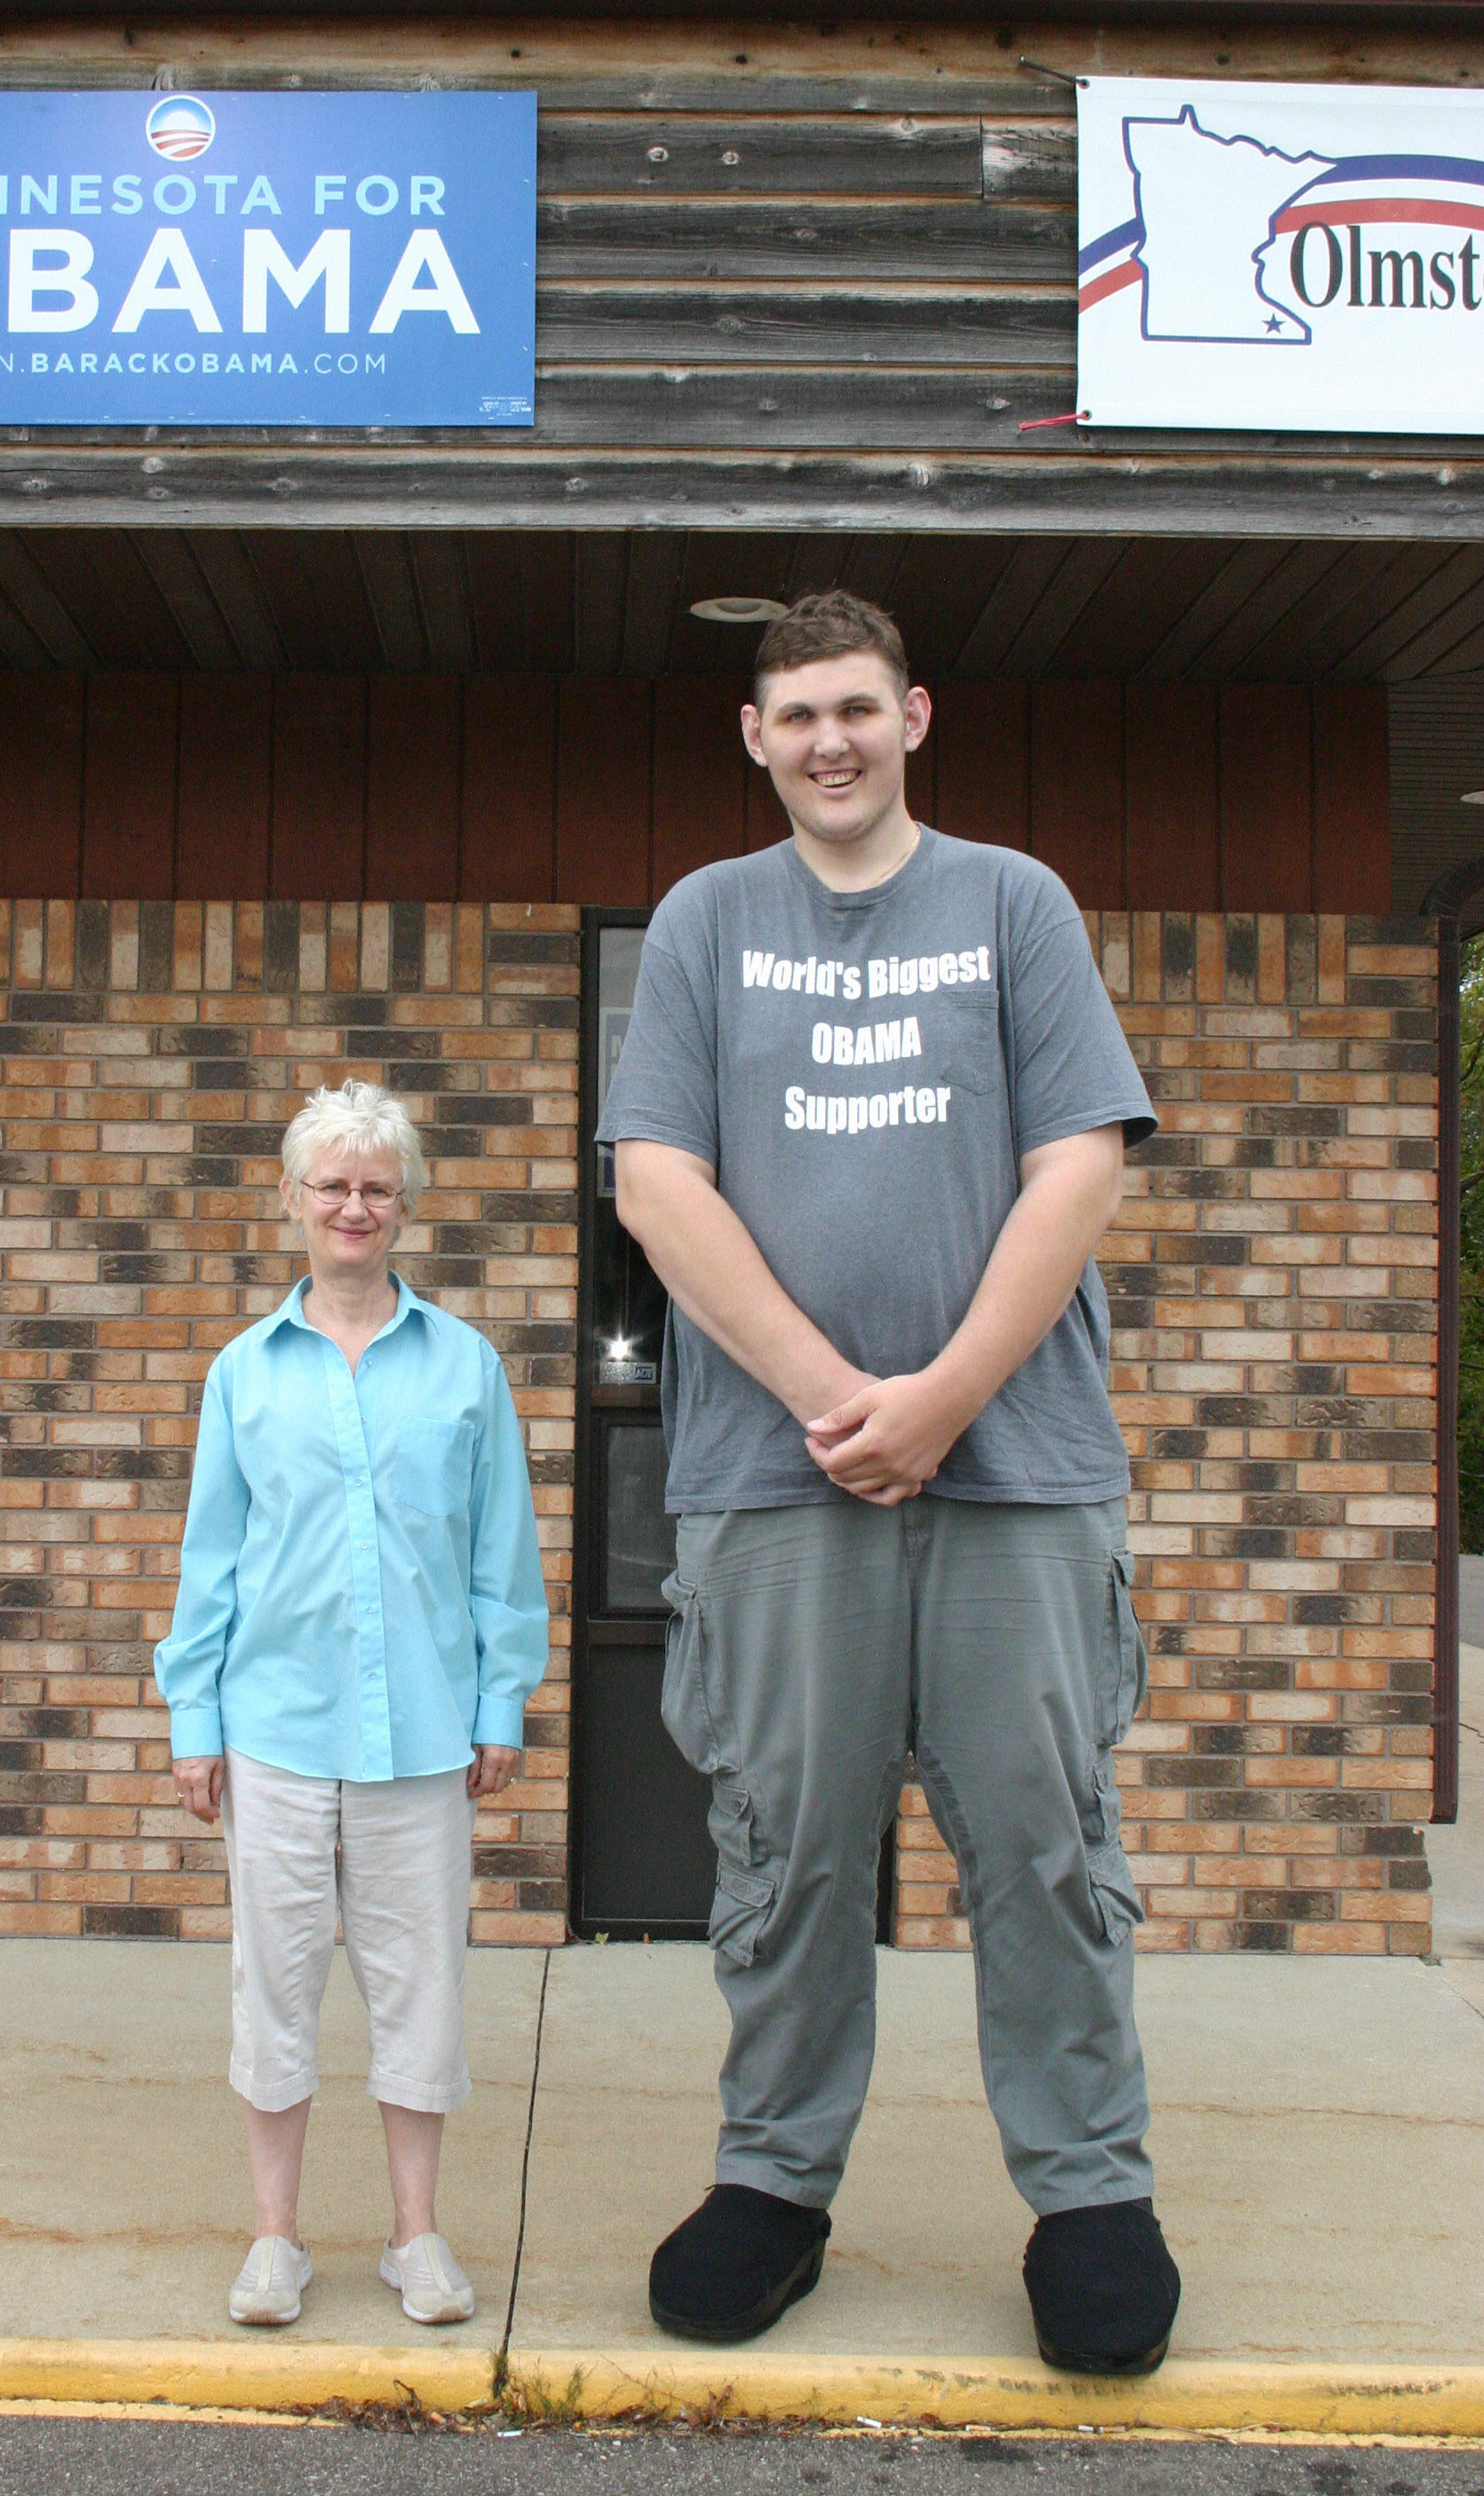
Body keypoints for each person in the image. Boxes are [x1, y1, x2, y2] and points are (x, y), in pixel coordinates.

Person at [597, 592, 1180, 2374]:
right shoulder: (705, 922)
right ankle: (772, 2184)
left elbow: (1077, 1169)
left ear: (914, 716)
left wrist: (941, 1400)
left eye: (858, 706)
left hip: (1017, 1478)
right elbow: (655, 1184)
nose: (829, 740)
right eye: (797, 716)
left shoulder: (1013, 904)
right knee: (781, 1853)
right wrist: (838, 1398)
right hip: (772, 1490)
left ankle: (1088, 2197)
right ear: (754, 738)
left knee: (1044, 1847)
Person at [155, 1078, 549, 2333]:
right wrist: (194, 1721)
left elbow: (503, 1553)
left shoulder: (466, 1368)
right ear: (292, 1201)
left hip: (424, 1737)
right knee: (272, 1985)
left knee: (417, 1984)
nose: (353, 1205)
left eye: (376, 1185)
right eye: (331, 1184)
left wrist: (502, 1700)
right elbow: (210, 1559)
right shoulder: (243, 1375)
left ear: (408, 1205)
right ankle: (275, 2241)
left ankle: (414, 2238)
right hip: (273, 1730)